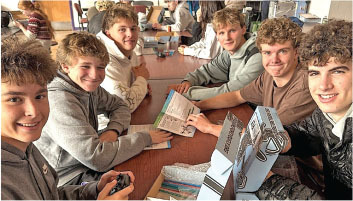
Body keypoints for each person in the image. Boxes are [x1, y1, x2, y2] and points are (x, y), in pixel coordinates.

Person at [1, 37, 135, 200]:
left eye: (40, 96)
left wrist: (94, 190)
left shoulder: (26, 147)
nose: (33, 112)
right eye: (14, 99)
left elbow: (52, 196)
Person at [34, 32, 173, 187]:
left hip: (87, 162)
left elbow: (120, 106)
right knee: (142, 181)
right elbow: (97, 158)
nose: (94, 75)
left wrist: (112, 131)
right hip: (68, 178)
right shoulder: (59, 101)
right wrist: (145, 138)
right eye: (85, 66)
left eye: (100, 67)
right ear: (65, 66)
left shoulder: (86, 86)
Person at [256, 20, 352, 200]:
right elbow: (308, 134)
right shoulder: (326, 114)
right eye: (315, 73)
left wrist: (270, 182)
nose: (323, 86)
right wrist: (287, 139)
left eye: (337, 71)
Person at [186, 17, 316, 136]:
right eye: (267, 52)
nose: (274, 60)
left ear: (296, 52)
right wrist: (200, 105)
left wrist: (210, 128)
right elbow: (237, 96)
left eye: (282, 51)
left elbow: (263, 136)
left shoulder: (304, 85)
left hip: (296, 159)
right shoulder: (269, 75)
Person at [173, 7, 263, 101]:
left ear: (243, 29)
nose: (227, 38)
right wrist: (188, 81)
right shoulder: (229, 52)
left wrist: (185, 92)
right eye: (221, 33)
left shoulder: (257, 56)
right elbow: (208, 71)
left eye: (232, 31)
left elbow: (231, 92)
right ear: (217, 36)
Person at [97, 5, 150, 113]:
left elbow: (133, 85)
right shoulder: (103, 60)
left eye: (133, 28)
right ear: (109, 34)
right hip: (104, 125)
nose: (130, 34)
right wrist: (142, 80)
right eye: (122, 29)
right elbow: (124, 106)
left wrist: (141, 87)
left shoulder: (129, 52)